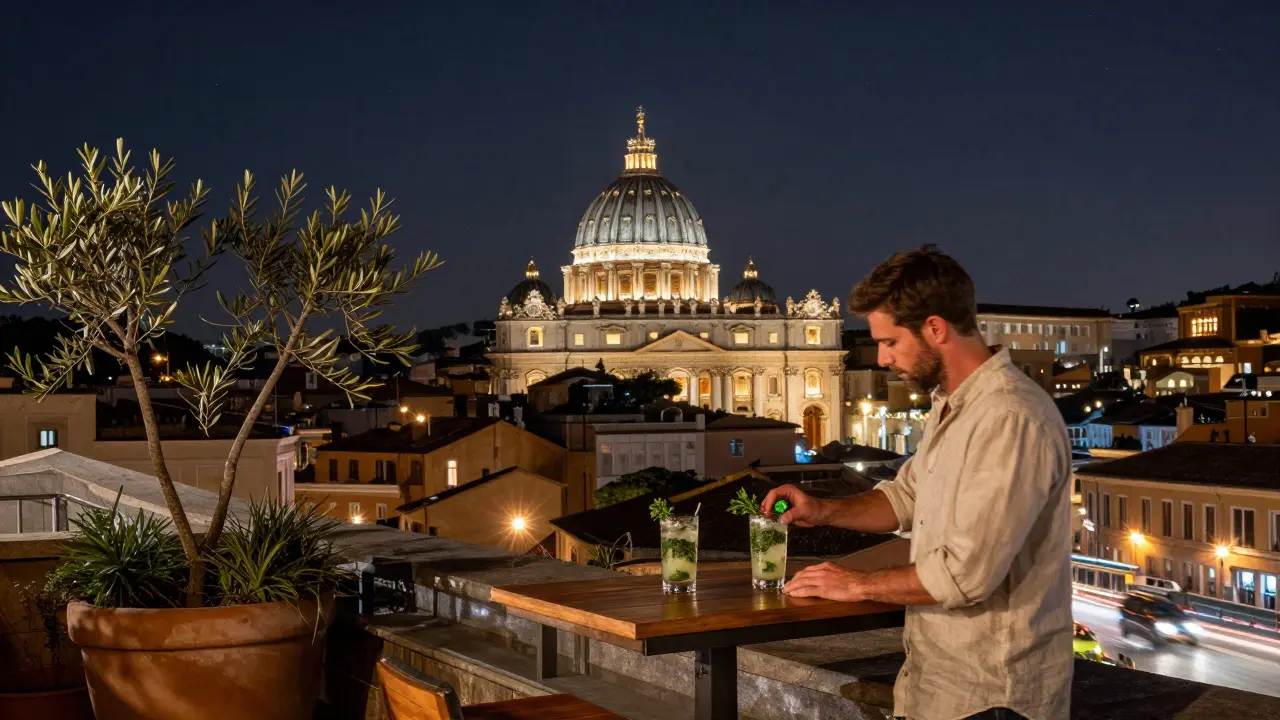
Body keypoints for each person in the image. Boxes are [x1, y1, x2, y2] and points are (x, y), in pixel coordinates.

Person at [764, 246, 1074, 720]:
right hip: (937, 686)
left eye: (889, 342)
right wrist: (822, 509)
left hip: (994, 696)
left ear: (935, 328)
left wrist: (855, 586)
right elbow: (905, 498)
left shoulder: (1010, 417)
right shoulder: (951, 406)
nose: (882, 358)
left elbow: (965, 575)